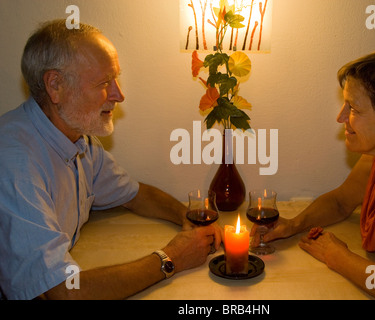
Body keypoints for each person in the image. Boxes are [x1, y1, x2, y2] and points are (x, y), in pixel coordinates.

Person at [0, 19, 222, 300]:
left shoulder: (79, 138)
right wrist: (171, 258)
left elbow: (134, 194)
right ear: (55, 85)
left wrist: (185, 218)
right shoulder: (15, 165)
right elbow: (63, 292)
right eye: (105, 82)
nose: (119, 95)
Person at [251, 48, 375, 300]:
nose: (340, 117)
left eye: (353, 108)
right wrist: (292, 225)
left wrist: (337, 256)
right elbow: (341, 202)